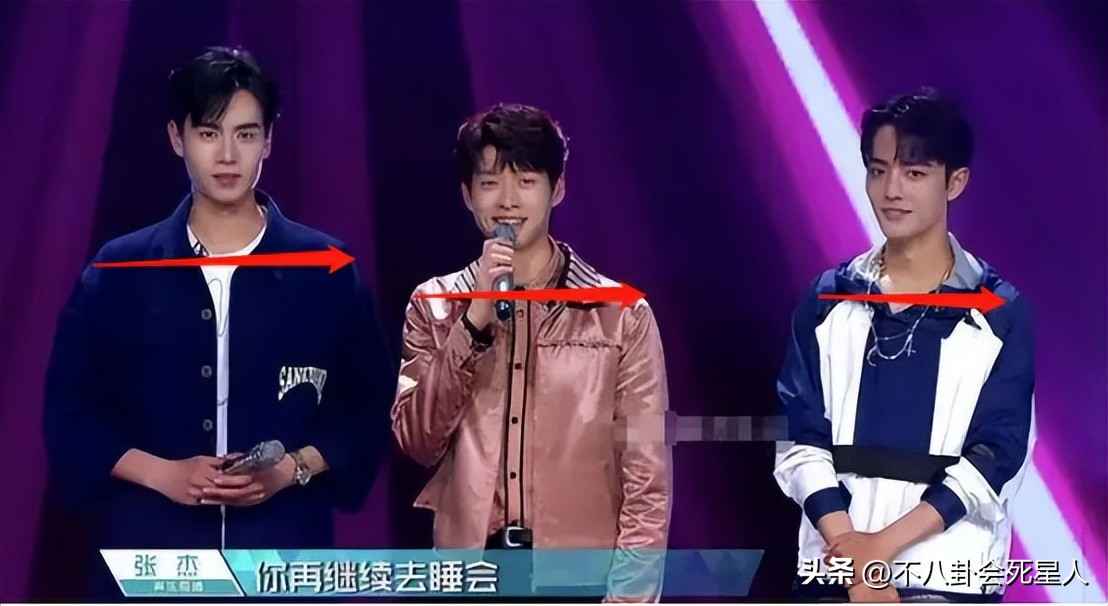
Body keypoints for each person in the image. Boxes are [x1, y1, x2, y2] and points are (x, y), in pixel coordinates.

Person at [43, 46, 392, 597]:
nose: (228, 155)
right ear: (176, 138)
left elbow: (368, 409)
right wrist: (164, 474)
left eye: (245, 134)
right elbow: (69, 412)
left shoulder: (326, 268)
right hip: (149, 557)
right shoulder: (119, 270)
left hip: (282, 559)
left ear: (268, 141)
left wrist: (290, 469)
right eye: (209, 133)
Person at [391, 103, 672, 601]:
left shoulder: (620, 314)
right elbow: (417, 441)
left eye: (525, 181)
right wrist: (473, 323)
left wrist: (627, 599)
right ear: (467, 195)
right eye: (489, 182)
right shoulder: (435, 305)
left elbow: (646, 482)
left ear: (557, 188)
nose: (507, 200)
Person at [774, 89, 1035, 602]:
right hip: (834, 572)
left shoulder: (997, 311)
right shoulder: (829, 299)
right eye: (878, 171)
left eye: (914, 173)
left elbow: (997, 456)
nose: (891, 190)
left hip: (946, 579)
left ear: (955, 182)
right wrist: (854, 556)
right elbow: (798, 436)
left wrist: (879, 550)